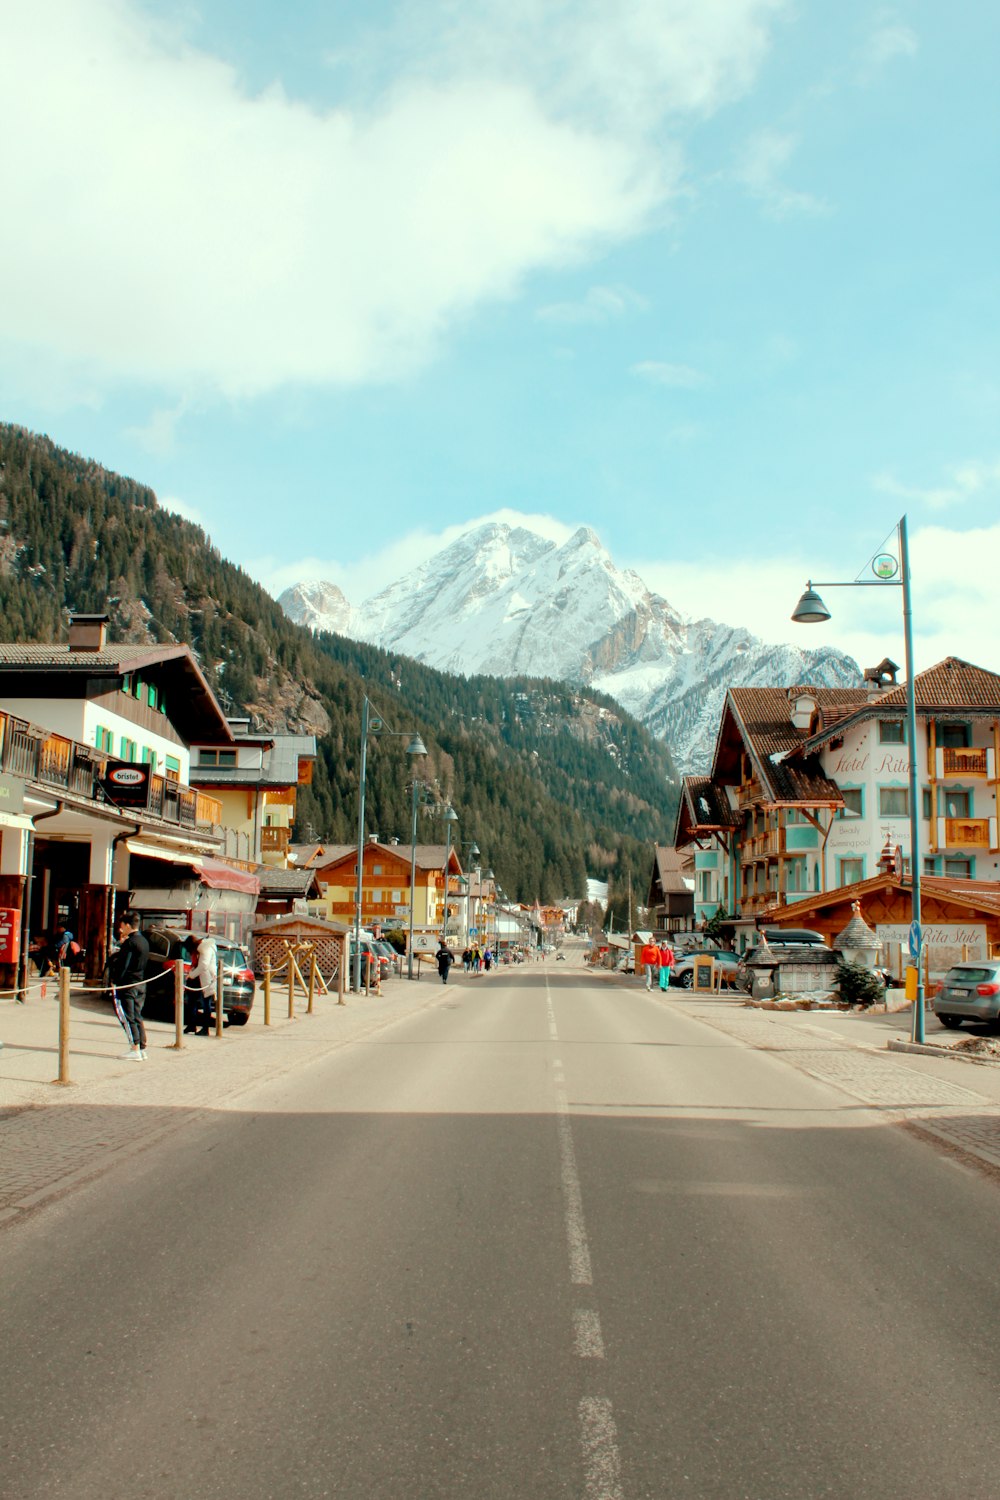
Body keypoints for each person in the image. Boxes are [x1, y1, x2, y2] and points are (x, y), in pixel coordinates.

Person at [108, 912, 150, 1060]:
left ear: (127, 925)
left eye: (121, 926)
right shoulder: (144, 941)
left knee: (127, 1016)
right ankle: (142, 1047)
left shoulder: (130, 943)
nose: (120, 929)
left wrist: (115, 980)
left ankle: (135, 1047)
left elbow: (123, 965)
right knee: (137, 1015)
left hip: (127, 984)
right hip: (140, 982)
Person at [189, 934, 218, 1035]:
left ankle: (206, 1028)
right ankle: (198, 1026)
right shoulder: (207, 948)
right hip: (206, 978)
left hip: (207, 979)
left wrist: (191, 975)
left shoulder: (205, 949)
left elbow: (203, 966)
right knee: (204, 1003)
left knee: (206, 1004)